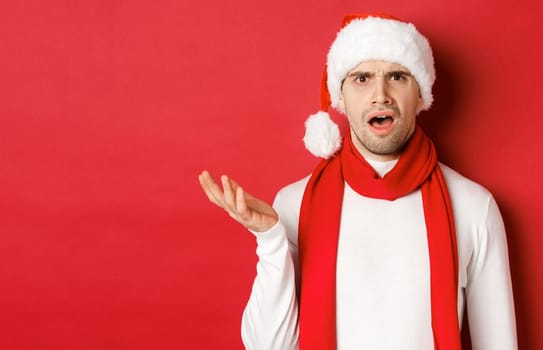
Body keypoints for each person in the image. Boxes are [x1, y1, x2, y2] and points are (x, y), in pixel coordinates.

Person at [197, 14, 517, 350]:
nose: (380, 95)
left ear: (421, 94)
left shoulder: (473, 207)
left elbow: (499, 343)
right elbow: (267, 346)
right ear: (340, 97)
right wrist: (271, 241)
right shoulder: (294, 203)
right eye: (362, 78)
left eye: (397, 76)